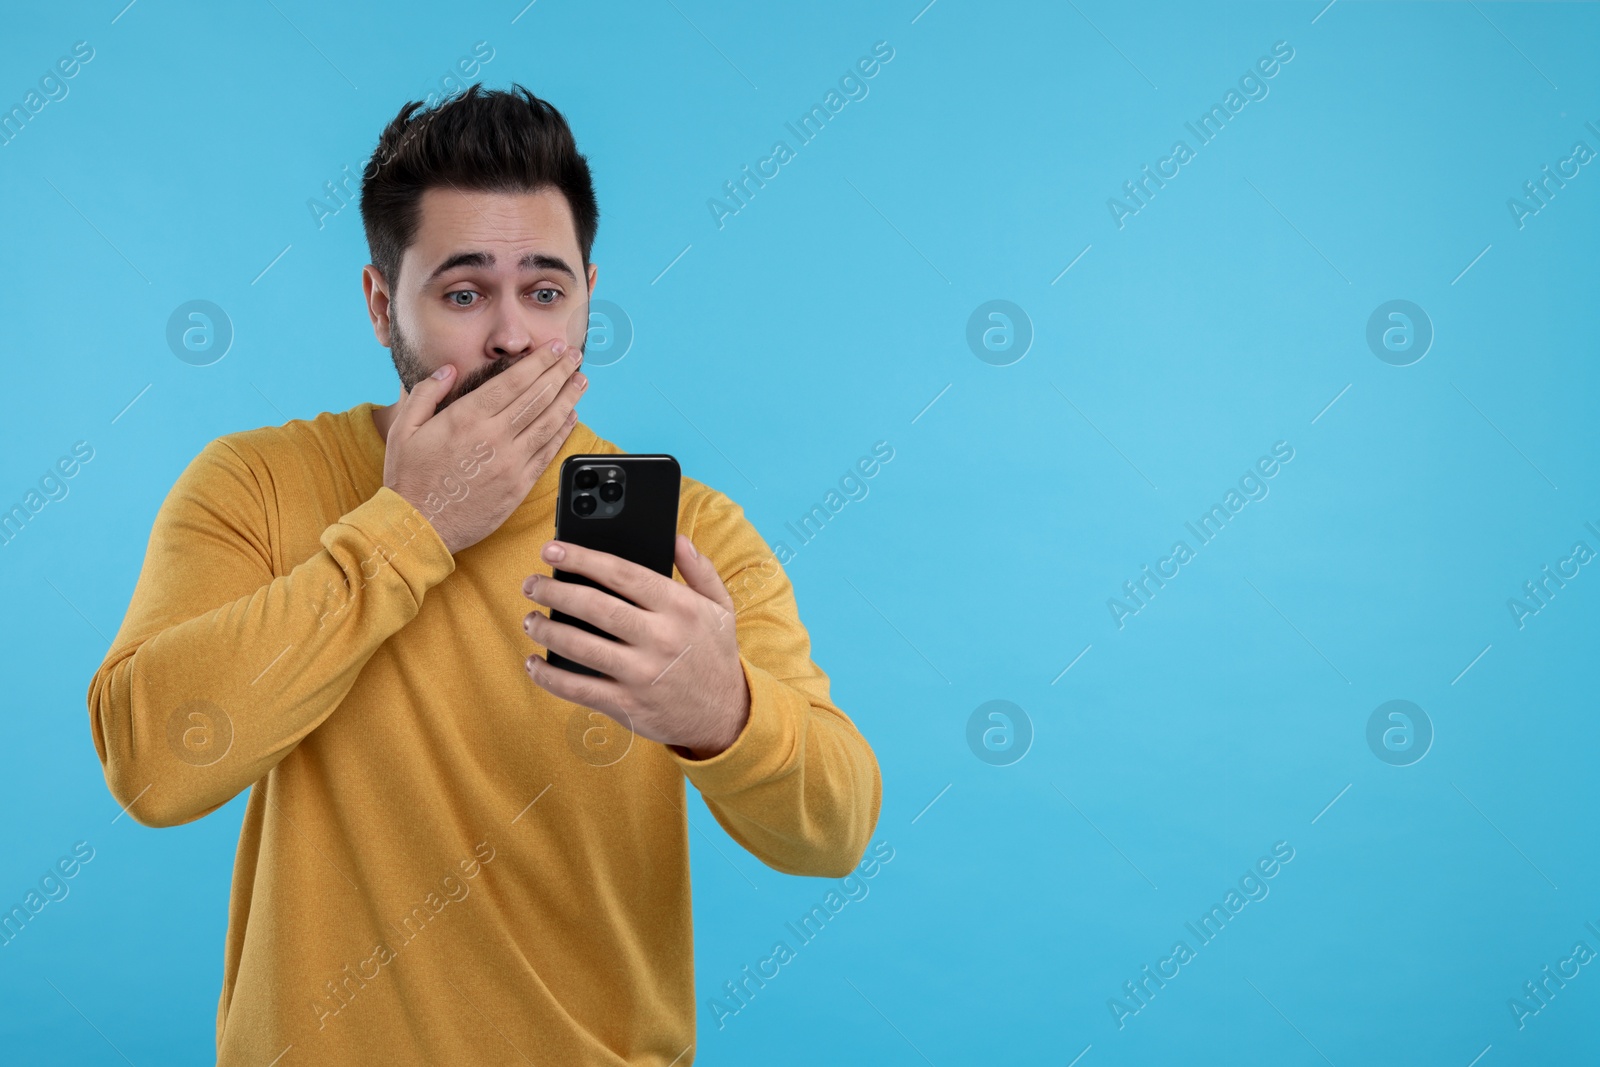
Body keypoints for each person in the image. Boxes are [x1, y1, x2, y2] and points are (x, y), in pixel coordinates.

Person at [86, 83, 882, 1065]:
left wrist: (724, 711)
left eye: (545, 291)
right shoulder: (256, 484)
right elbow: (155, 763)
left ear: (589, 292)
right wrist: (411, 525)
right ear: (383, 305)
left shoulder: (688, 531)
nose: (511, 334)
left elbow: (836, 828)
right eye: (463, 293)